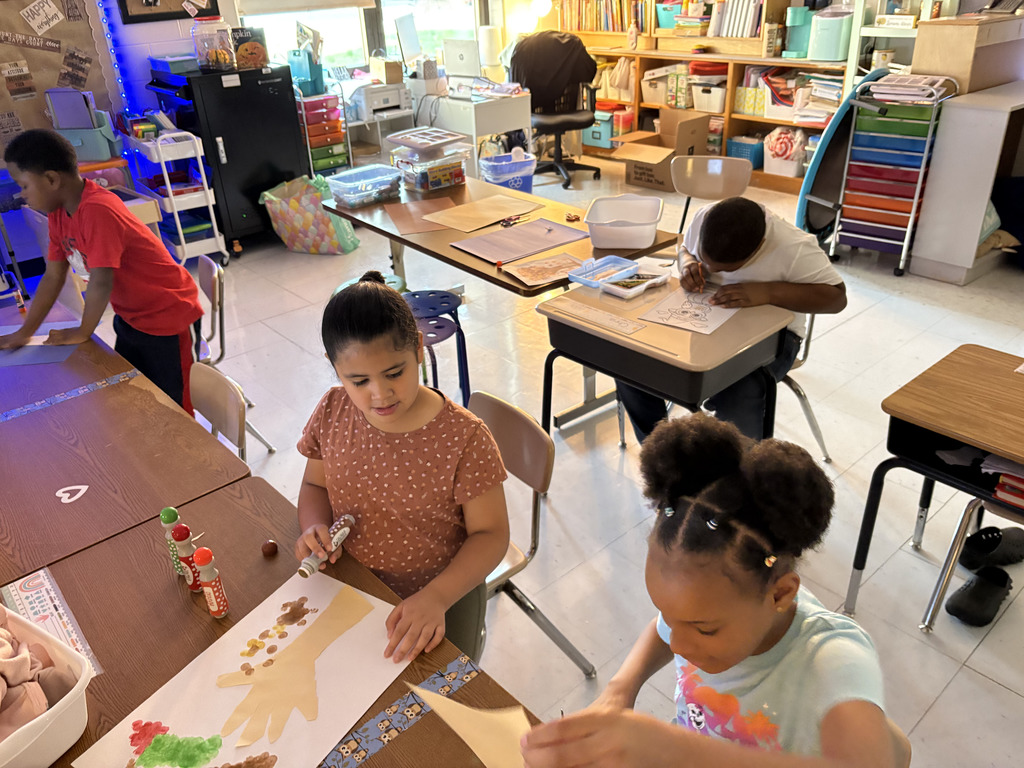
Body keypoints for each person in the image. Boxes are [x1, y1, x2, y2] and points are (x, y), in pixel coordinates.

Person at [522, 414, 909, 768]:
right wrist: (620, 690)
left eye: (704, 629)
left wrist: (671, 748)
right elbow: (664, 628)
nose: (679, 645)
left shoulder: (832, 657)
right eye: (671, 617)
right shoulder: (702, 612)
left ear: (780, 594)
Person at [294, 271, 510, 663]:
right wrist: (313, 526)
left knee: (438, 702)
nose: (380, 394)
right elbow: (315, 487)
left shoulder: (465, 438)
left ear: (418, 349)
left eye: (395, 373)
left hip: (441, 597)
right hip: (353, 584)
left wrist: (437, 597)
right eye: (358, 380)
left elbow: (491, 534)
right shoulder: (333, 409)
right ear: (334, 368)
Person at [0, 129, 204, 413]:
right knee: (136, 396)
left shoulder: (97, 209)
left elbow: (101, 280)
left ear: (51, 179)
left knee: (175, 405)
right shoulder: (59, 213)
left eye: (24, 186)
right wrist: (25, 332)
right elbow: (53, 274)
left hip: (169, 317)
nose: (22, 196)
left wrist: (84, 330)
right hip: (132, 317)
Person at [616, 197, 847, 442]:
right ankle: (659, 453)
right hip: (705, 323)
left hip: (775, 338)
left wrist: (768, 292)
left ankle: (735, 470)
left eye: (725, 269)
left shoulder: (795, 247)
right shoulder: (705, 217)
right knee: (632, 363)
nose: (712, 272)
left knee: (738, 390)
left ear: (761, 247)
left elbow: (836, 298)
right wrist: (688, 264)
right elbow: (684, 245)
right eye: (707, 262)